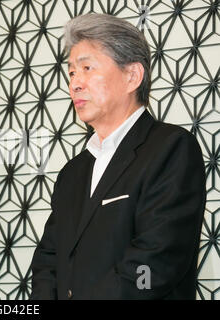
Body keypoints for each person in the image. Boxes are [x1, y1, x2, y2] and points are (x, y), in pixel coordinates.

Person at [31, 13, 206, 299]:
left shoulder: (171, 149)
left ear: (132, 76)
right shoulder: (72, 172)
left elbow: (154, 265)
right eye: (72, 72)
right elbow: (48, 260)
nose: (75, 83)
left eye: (87, 68)